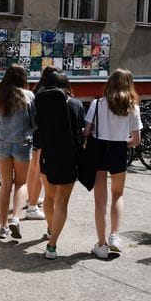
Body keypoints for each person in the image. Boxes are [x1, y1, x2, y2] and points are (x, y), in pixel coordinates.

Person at [84, 69, 143, 259]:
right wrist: (121, 140)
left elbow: (87, 131)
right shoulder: (133, 107)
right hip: (118, 150)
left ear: (109, 83)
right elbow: (136, 140)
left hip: (99, 149)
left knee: (100, 200)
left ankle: (100, 245)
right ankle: (114, 237)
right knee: (118, 195)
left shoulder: (97, 103)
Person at [35, 71, 85, 259]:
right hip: (68, 159)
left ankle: (50, 228)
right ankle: (52, 245)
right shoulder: (76, 104)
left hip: (47, 157)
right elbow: (81, 132)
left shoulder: (40, 102)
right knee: (62, 202)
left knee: (48, 196)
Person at [0, 64, 36, 239]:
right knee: (21, 183)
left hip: (2, 144)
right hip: (23, 144)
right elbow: (34, 123)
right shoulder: (29, 96)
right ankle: (15, 217)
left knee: (5, 185)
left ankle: (3, 227)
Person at [24, 67, 63, 223]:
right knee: (39, 171)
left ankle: (30, 199)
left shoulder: (36, 91)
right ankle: (32, 207)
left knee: (33, 169)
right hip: (43, 136)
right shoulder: (50, 94)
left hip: (35, 134)